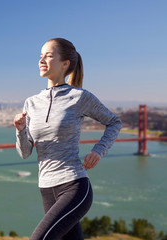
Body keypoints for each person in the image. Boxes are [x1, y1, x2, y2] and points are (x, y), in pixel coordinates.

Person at [13, 38, 122, 239]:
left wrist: (98, 150)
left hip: (74, 185)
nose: (41, 60)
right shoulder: (31, 103)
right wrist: (20, 130)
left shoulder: (79, 97)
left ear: (65, 64)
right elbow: (25, 152)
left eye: (48, 55)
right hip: (46, 188)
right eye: (40, 56)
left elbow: (114, 122)